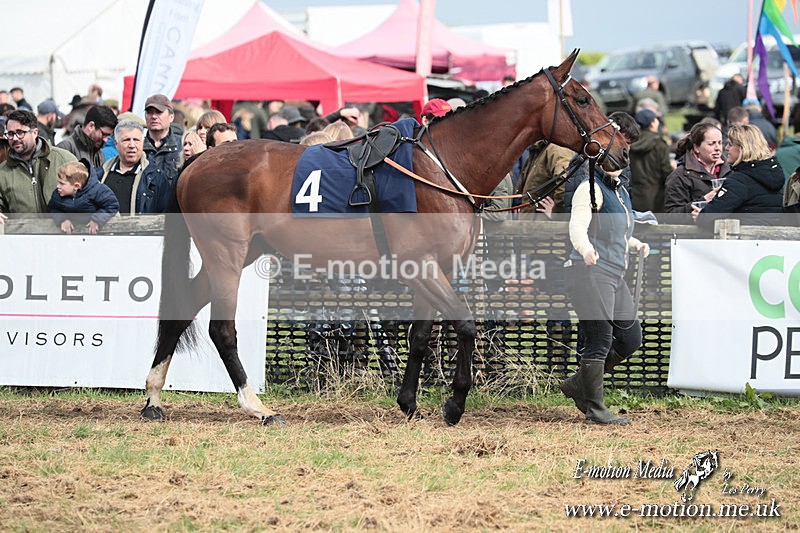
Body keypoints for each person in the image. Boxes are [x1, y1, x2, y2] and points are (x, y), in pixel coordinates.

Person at [560, 160, 650, 425]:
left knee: (631, 338)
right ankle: (596, 409)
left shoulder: (620, 191)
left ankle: (579, 385)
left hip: (613, 273)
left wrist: (635, 244)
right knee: (600, 339)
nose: (615, 165)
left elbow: (618, 234)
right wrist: (585, 249)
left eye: (619, 159)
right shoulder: (590, 187)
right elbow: (577, 227)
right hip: (589, 271)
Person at [695, 124, 784, 229]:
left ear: (742, 148)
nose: (726, 148)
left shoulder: (738, 180)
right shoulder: (775, 174)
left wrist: (700, 215)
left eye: (730, 144)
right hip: (774, 241)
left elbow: (706, 218)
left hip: (744, 242)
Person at [0, 109, 77, 217]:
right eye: (11, 134)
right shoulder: (3, 172)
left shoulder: (64, 159)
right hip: (22, 232)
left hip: (62, 230)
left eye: (20, 132)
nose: (15, 138)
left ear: (35, 132)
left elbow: (88, 191)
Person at [664, 121, 730, 221]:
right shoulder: (679, 176)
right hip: (695, 234)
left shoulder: (731, 169)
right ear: (696, 148)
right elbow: (671, 216)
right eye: (711, 144)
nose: (717, 148)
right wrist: (703, 201)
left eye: (720, 143)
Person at [47, 159, 119, 234]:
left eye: (62, 183)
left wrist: (96, 219)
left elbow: (112, 205)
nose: (58, 186)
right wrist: (62, 219)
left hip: (98, 232)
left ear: (76, 186)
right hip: (73, 234)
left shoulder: (98, 191)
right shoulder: (57, 195)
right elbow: (53, 208)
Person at [140, 94, 182, 213]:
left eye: (159, 112)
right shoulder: (137, 146)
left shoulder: (183, 145)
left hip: (174, 214)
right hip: (144, 215)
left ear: (171, 117)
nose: (153, 116)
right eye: (149, 112)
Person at [100, 119, 148, 216]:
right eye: (126, 140)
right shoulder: (101, 174)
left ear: (143, 142)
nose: (132, 145)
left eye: (136, 140)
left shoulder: (154, 177)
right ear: (116, 144)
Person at [629, 108, 674, 213]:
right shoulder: (659, 144)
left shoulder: (631, 144)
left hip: (635, 196)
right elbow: (666, 172)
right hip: (656, 198)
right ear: (652, 123)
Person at [516, 140, 574, 219]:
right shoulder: (538, 149)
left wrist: (557, 214)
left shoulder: (557, 149)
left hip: (543, 225)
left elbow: (565, 183)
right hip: (531, 223)